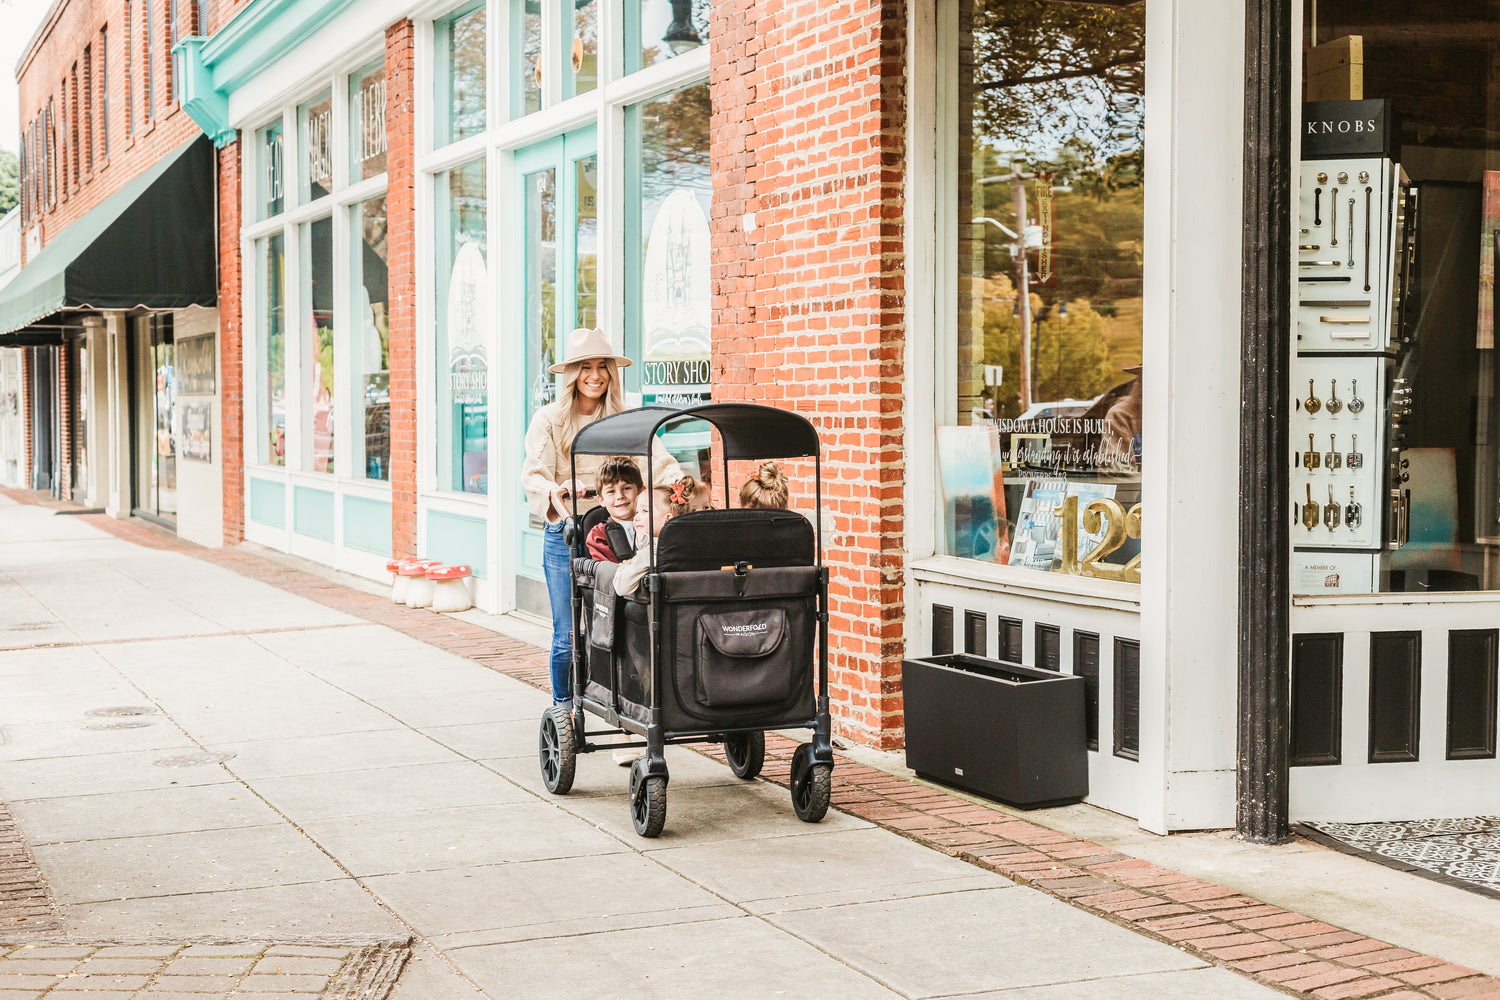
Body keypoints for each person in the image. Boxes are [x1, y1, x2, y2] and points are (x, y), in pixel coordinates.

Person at [520, 327, 682, 708]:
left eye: (602, 367)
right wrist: (559, 493)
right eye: (585, 367)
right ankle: (564, 709)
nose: (595, 376)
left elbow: (660, 463)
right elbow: (533, 475)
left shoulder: (623, 418)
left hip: (620, 532)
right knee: (568, 633)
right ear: (571, 374)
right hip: (568, 532)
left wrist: (681, 489)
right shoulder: (549, 420)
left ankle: (623, 702)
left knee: (621, 623)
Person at [613, 476, 701, 598]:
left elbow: (620, 587)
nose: (636, 517)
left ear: (667, 519)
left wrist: (624, 568)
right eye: (637, 512)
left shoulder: (651, 552)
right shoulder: (688, 545)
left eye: (645, 511)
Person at [586, 456, 643, 563]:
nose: (620, 496)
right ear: (601, 499)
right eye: (611, 491)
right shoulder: (598, 535)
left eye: (626, 488)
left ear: (641, 492)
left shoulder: (653, 524)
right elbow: (606, 569)